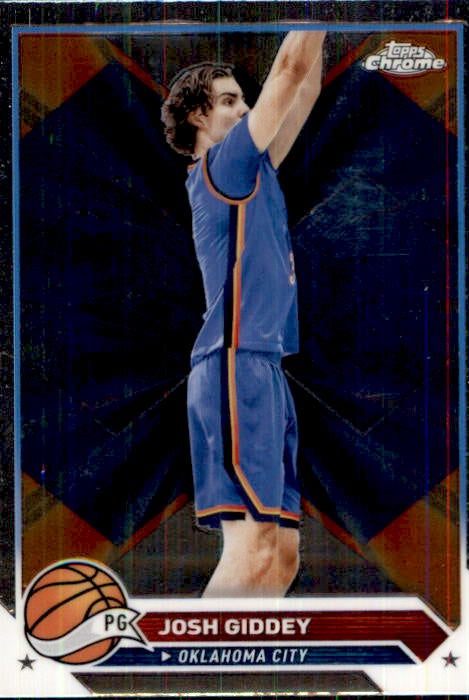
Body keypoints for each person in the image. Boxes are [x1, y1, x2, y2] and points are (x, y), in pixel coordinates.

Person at [161, 31, 325, 597]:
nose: (244, 107)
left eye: (243, 98)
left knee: (281, 558)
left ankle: (241, 648)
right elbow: (288, 69)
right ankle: (194, 650)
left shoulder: (254, 168)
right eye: (229, 100)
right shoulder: (223, 163)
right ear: (198, 118)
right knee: (252, 550)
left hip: (264, 367)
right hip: (233, 363)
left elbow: (304, 85)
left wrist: (324, 24)